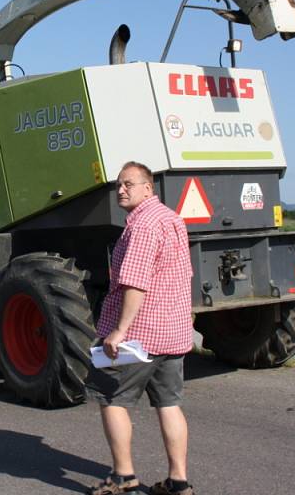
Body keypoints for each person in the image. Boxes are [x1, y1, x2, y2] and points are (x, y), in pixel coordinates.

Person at [85, 161, 194, 495]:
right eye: (119, 184)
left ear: (148, 188)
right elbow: (184, 273)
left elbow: (135, 283)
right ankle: (178, 482)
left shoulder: (142, 225)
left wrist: (119, 331)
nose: (121, 189)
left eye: (128, 183)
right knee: (169, 404)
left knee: (113, 399)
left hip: (139, 336)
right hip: (172, 333)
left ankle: (123, 478)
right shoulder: (173, 220)